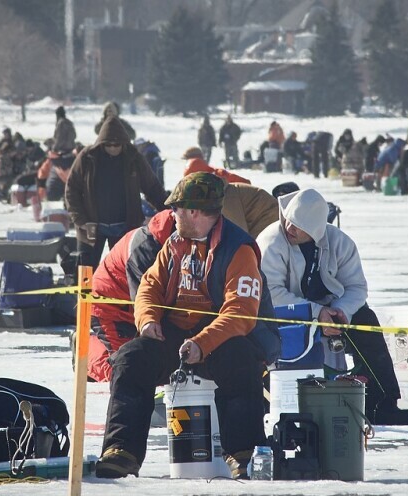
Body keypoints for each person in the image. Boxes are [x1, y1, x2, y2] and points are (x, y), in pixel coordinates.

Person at [95, 172, 278, 479]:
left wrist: (202, 343)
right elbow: (149, 286)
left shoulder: (240, 250)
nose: (172, 213)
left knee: (241, 360)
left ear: (193, 212)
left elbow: (240, 313)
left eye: (177, 208)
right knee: (131, 357)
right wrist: (148, 319)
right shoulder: (175, 243)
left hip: (222, 335)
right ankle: (121, 450)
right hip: (176, 335)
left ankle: (243, 452)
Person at [257, 188, 408, 426]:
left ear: (316, 231)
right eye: (289, 221)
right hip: (285, 316)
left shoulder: (340, 242)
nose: (290, 228)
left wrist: (342, 313)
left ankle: (383, 403)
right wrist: (316, 313)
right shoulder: (271, 241)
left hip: (331, 310)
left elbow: (357, 287)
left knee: (366, 321)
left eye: (298, 226)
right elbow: (271, 293)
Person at [64, 116, 168, 268]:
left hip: (124, 227)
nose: (113, 148)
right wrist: (80, 220)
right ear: (101, 143)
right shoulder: (87, 157)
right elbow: (72, 189)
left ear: (124, 143)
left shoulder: (134, 158)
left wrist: (168, 211)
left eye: (116, 145)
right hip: (91, 227)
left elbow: (152, 187)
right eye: (108, 145)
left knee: (125, 273)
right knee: (85, 273)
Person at [88, 209, 176, 383]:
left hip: (133, 304)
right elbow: (146, 298)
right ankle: (87, 348)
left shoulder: (187, 235)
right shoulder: (145, 247)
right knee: (122, 371)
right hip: (111, 308)